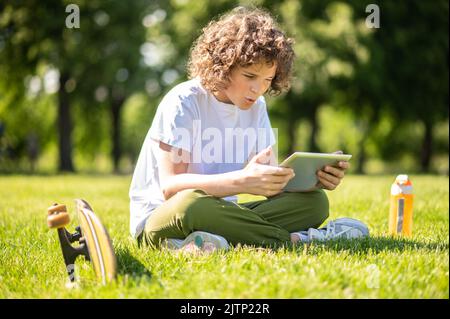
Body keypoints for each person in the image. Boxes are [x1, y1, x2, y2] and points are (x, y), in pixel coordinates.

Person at [129, 6, 368, 253]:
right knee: (191, 204)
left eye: (267, 80)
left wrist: (314, 179)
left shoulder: (257, 107)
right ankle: (298, 241)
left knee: (315, 204)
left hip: (222, 216)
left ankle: (205, 243)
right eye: (250, 76)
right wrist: (242, 181)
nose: (258, 89)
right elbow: (171, 188)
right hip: (162, 220)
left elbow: (271, 186)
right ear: (222, 66)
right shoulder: (184, 101)